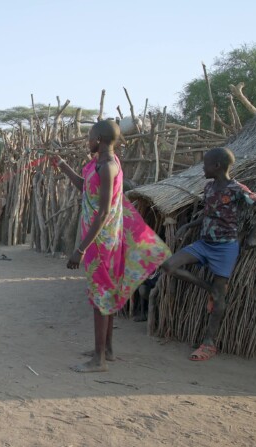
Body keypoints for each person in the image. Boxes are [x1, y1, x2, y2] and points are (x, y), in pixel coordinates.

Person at [54, 120, 170, 373]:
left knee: (100, 299)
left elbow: (104, 211)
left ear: (100, 139)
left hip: (101, 241)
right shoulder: (98, 164)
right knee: (104, 295)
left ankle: (99, 360)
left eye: (90, 136)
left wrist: (81, 248)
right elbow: (86, 189)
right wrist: (63, 167)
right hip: (97, 238)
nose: (87, 140)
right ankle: (107, 350)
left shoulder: (107, 166)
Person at [161, 147, 256, 362]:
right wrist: (189, 225)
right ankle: (209, 288)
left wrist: (253, 236)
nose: (203, 167)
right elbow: (209, 214)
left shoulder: (237, 189)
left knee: (221, 297)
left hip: (225, 247)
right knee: (169, 266)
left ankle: (209, 344)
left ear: (217, 166)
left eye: (206, 164)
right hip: (203, 243)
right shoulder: (209, 188)